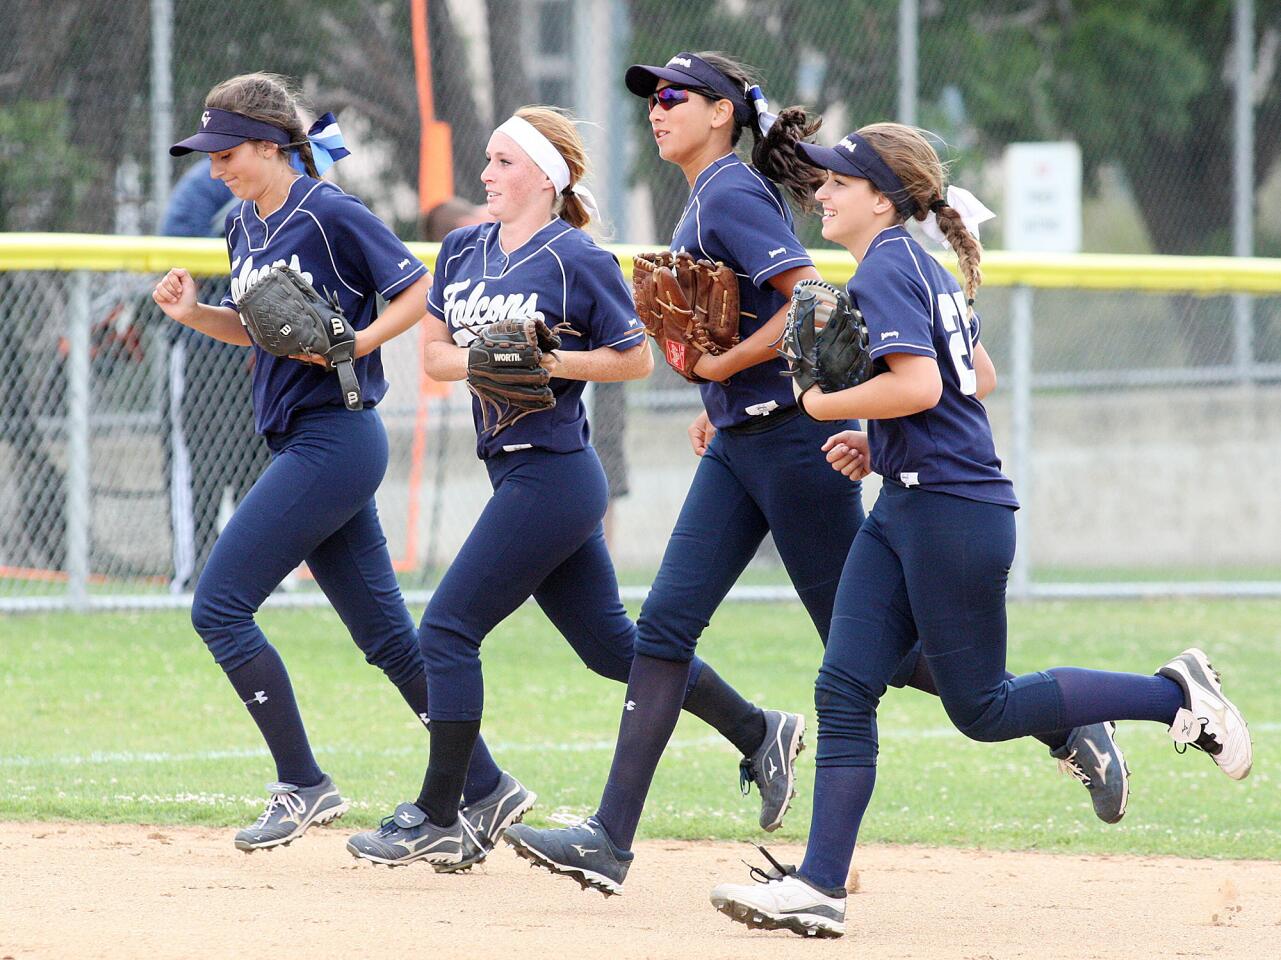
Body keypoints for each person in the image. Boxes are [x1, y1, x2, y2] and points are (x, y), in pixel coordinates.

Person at [504, 50, 1126, 898]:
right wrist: (724, 390)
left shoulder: (727, 190)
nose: (656, 107)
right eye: (651, 96)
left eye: (675, 96)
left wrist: (733, 373)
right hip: (740, 443)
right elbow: (761, 324)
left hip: (797, 444)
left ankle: (1063, 722)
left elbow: (809, 299)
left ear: (722, 112)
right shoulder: (705, 195)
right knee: (663, 630)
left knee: (873, 650)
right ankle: (608, 840)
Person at [707, 122, 1253, 938]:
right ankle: (820, 888)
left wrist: (822, 405)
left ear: (881, 198)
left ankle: (1172, 696)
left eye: (834, 184)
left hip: (952, 513)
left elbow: (924, 386)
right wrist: (878, 437)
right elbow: (975, 378)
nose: (818, 194)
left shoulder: (891, 266)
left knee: (984, 708)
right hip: (908, 504)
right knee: (844, 685)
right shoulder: (909, 265)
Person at [345, 106, 800, 882]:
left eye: (502, 162)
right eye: (487, 161)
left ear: (545, 178)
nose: (485, 175)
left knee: (447, 629)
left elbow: (631, 361)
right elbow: (435, 358)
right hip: (514, 469)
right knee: (612, 649)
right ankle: (759, 729)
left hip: (555, 475)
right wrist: (500, 352)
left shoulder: (575, 258)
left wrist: (550, 364)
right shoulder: (461, 250)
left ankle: (446, 811)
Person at [152, 72, 515, 858]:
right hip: (299, 441)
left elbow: (419, 290)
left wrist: (358, 342)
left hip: (336, 438)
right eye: (210, 155)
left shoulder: (329, 212)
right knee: (388, 639)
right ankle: (485, 785)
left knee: (217, 606)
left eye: (227, 153)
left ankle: (302, 782)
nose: (216, 168)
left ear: (270, 144)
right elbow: (263, 332)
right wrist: (193, 314)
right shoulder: (243, 226)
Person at [160, 157, 271, 593]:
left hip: (270, 353)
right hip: (206, 348)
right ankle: (194, 570)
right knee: (201, 465)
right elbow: (176, 249)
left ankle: (264, 572)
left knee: (262, 463)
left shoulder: (300, 187)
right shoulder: (208, 185)